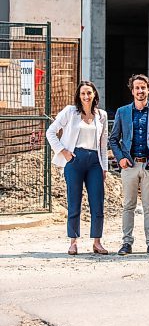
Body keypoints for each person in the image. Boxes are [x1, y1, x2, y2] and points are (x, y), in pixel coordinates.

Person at [46, 80, 108, 256]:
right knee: (74, 202)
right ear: (78, 96)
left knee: (97, 203)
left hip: (95, 161)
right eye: (83, 93)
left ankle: (97, 241)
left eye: (89, 93)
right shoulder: (70, 112)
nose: (86, 96)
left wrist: (104, 167)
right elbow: (50, 132)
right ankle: (73, 242)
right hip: (75, 161)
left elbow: (103, 145)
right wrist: (62, 151)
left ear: (95, 94)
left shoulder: (101, 115)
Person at [110, 74, 149, 256]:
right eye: (137, 88)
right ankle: (127, 243)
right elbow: (113, 139)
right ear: (132, 91)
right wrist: (120, 159)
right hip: (130, 165)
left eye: (143, 87)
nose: (140, 91)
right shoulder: (123, 112)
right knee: (128, 205)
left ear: (148, 89)